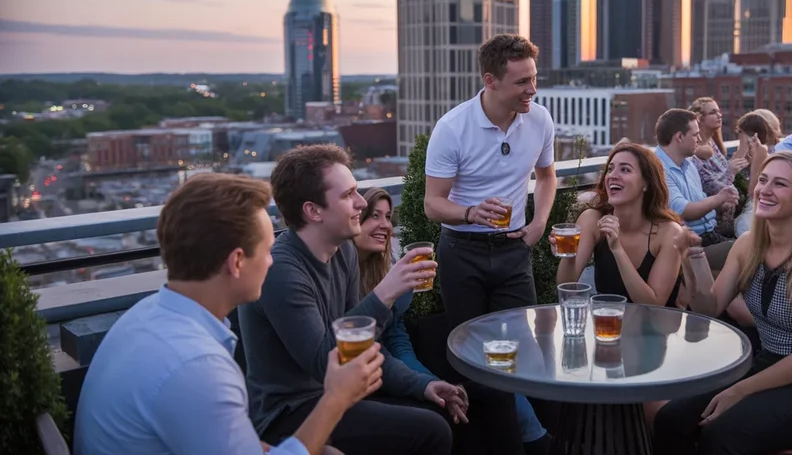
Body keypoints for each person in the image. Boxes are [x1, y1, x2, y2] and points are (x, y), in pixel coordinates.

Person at [74, 173, 383, 455]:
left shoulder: (146, 317)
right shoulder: (197, 365)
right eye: (266, 251)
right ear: (236, 263)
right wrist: (335, 399)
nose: (271, 262)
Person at [238, 144, 458, 455]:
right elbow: (325, 363)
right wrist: (386, 292)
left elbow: (359, 348)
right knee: (430, 431)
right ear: (313, 211)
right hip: (288, 415)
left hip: (339, 396)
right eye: (347, 196)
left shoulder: (342, 251)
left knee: (445, 410)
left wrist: (421, 385)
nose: (359, 203)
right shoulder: (281, 270)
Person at [653, 151, 792, 455]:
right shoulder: (748, 245)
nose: (764, 190)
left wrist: (741, 389)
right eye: (763, 180)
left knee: (722, 436)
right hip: (763, 366)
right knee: (671, 419)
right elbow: (709, 308)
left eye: (780, 184)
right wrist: (692, 260)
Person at [353, 187, 539, 454]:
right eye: (374, 216)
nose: (384, 225)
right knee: (457, 407)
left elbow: (397, 339)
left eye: (388, 217)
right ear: (353, 220)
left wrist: (429, 381)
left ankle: (541, 442)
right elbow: (373, 350)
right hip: (364, 382)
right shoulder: (344, 276)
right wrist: (424, 385)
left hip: (396, 368)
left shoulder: (385, 267)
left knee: (494, 390)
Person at [424, 33, 557, 330]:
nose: (532, 90)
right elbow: (432, 205)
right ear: (490, 80)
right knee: (469, 345)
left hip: (514, 250)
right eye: (522, 82)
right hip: (461, 252)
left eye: (534, 79)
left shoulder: (541, 120)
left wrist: (538, 224)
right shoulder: (451, 128)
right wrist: (470, 213)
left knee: (522, 342)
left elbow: (547, 176)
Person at [553, 142, 687, 307]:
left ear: (646, 184)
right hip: (606, 325)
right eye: (610, 169)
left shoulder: (670, 233)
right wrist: (569, 254)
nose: (612, 176)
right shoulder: (592, 220)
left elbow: (652, 305)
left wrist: (617, 249)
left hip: (654, 327)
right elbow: (567, 286)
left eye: (625, 169)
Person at [654, 108, 737, 256]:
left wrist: (721, 205)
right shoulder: (658, 168)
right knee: (746, 252)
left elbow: (701, 203)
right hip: (691, 243)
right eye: (695, 135)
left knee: (754, 242)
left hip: (711, 233)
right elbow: (685, 211)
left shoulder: (689, 163)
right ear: (679, 137)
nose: (699, 140)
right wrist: (720, 198)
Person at [689, 97, 750, 238]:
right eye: (713, 112)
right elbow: (711, 188)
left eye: (719, 111)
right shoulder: (693, 153)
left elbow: (728, 172)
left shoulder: (713, 144)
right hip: (716, 220)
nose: (719, 115)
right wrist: (731, 170)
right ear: (699, 119)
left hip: (734, 206)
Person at [733, 109, 783, 236]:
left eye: (740, 132)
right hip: (743, 211)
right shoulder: (747, 155)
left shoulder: (764, 154)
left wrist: (754, 160)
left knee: (743, 226)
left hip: (758, 211)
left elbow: (752, 192)